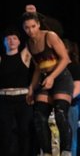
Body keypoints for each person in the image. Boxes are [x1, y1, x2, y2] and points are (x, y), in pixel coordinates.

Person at [23, 11, 75, 156]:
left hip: (61, 77)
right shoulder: (29, 43)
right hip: (45, 79)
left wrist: (52, 77)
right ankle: (46, 152)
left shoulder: (49, 36)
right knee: (39, 116)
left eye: (33, 26)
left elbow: (65, 59)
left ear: (38, 24)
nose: (30, 30)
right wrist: (31, 88)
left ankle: (66, 152)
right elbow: (38, 68)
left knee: (60, 114)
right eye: (27, 27)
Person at [0, 28, 34, 156]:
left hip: (23, 99)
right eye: (8, 39)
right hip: (4, 100)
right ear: (4, 42)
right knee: (5, 133)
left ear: (19, 41)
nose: (11, 41)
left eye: (14, 38)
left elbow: (34, 38)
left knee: (24, 131)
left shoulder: (24, 55)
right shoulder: (1, 59)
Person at [63, 39, 80, 156]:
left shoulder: (74, 67)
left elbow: (78, 89)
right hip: (54, 107)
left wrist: (64, 100)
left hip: (70, 107)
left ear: (68, 49)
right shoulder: (54, 67)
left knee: (70, 139)